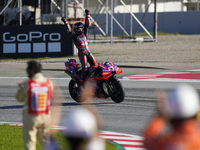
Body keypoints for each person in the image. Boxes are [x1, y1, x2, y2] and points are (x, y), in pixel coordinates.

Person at [47, 77, 105, 150]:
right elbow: (99, 129)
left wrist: (57, 100)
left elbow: (50, 134)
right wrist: (86, 100)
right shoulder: (94, 146)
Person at [143, 83, 200, 150]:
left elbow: (149, 140)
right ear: (197, 114)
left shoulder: (164, 143)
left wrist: (160, 114)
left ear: (169, 116)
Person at [15, 60, 54, 150]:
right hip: (46, 117)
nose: (26, 71)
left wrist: (20, 88)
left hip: (31, 117)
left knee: (30, 143)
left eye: (28, 69)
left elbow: (19, 98)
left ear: (32, 70)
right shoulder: (49, 83)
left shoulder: (27, 84)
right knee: (46, 143)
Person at [61, 9, 98, 78]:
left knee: (95, 67)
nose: (80, 30)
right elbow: (69, 30)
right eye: (78, 29)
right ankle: (83, 83)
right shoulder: (75, 36)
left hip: (89, 52)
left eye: (81, 28)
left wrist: (87, 14)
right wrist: (65, 22)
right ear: (75, 30)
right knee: (85, 70)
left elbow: (87, 24)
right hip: (82, 54)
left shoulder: (84, 34)